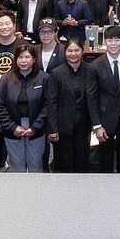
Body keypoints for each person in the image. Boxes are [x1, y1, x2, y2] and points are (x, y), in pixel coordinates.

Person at [87, 26, 120, 173]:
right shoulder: (95, 66)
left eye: (117, 40)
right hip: (105, 120)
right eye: (110, 40)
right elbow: (92, 98)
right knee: (105, 158)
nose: (113, 44)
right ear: (104, 41)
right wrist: (97, 125)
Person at [0, 45, 49, 172]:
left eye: (27, 57)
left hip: (36, 128)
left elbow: (48, 105)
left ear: (34, 59)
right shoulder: (6, 78)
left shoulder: (44, 78)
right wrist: (12, 127)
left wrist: (35, 127)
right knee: (17, 166)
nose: (23, 61)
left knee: (35, 165)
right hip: (12, 128)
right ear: (15, 59)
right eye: (20, 57)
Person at [47, 38, 92, 172]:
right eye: (70, 50)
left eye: (76, 50)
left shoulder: (90, 70)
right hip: (63, 127)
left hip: (84, 126)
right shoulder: (56, 73)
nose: (73, 54)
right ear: (65, 52)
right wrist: (52, 128)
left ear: (82, 51)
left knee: (82, 161)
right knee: (64, 162)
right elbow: (52, 102)